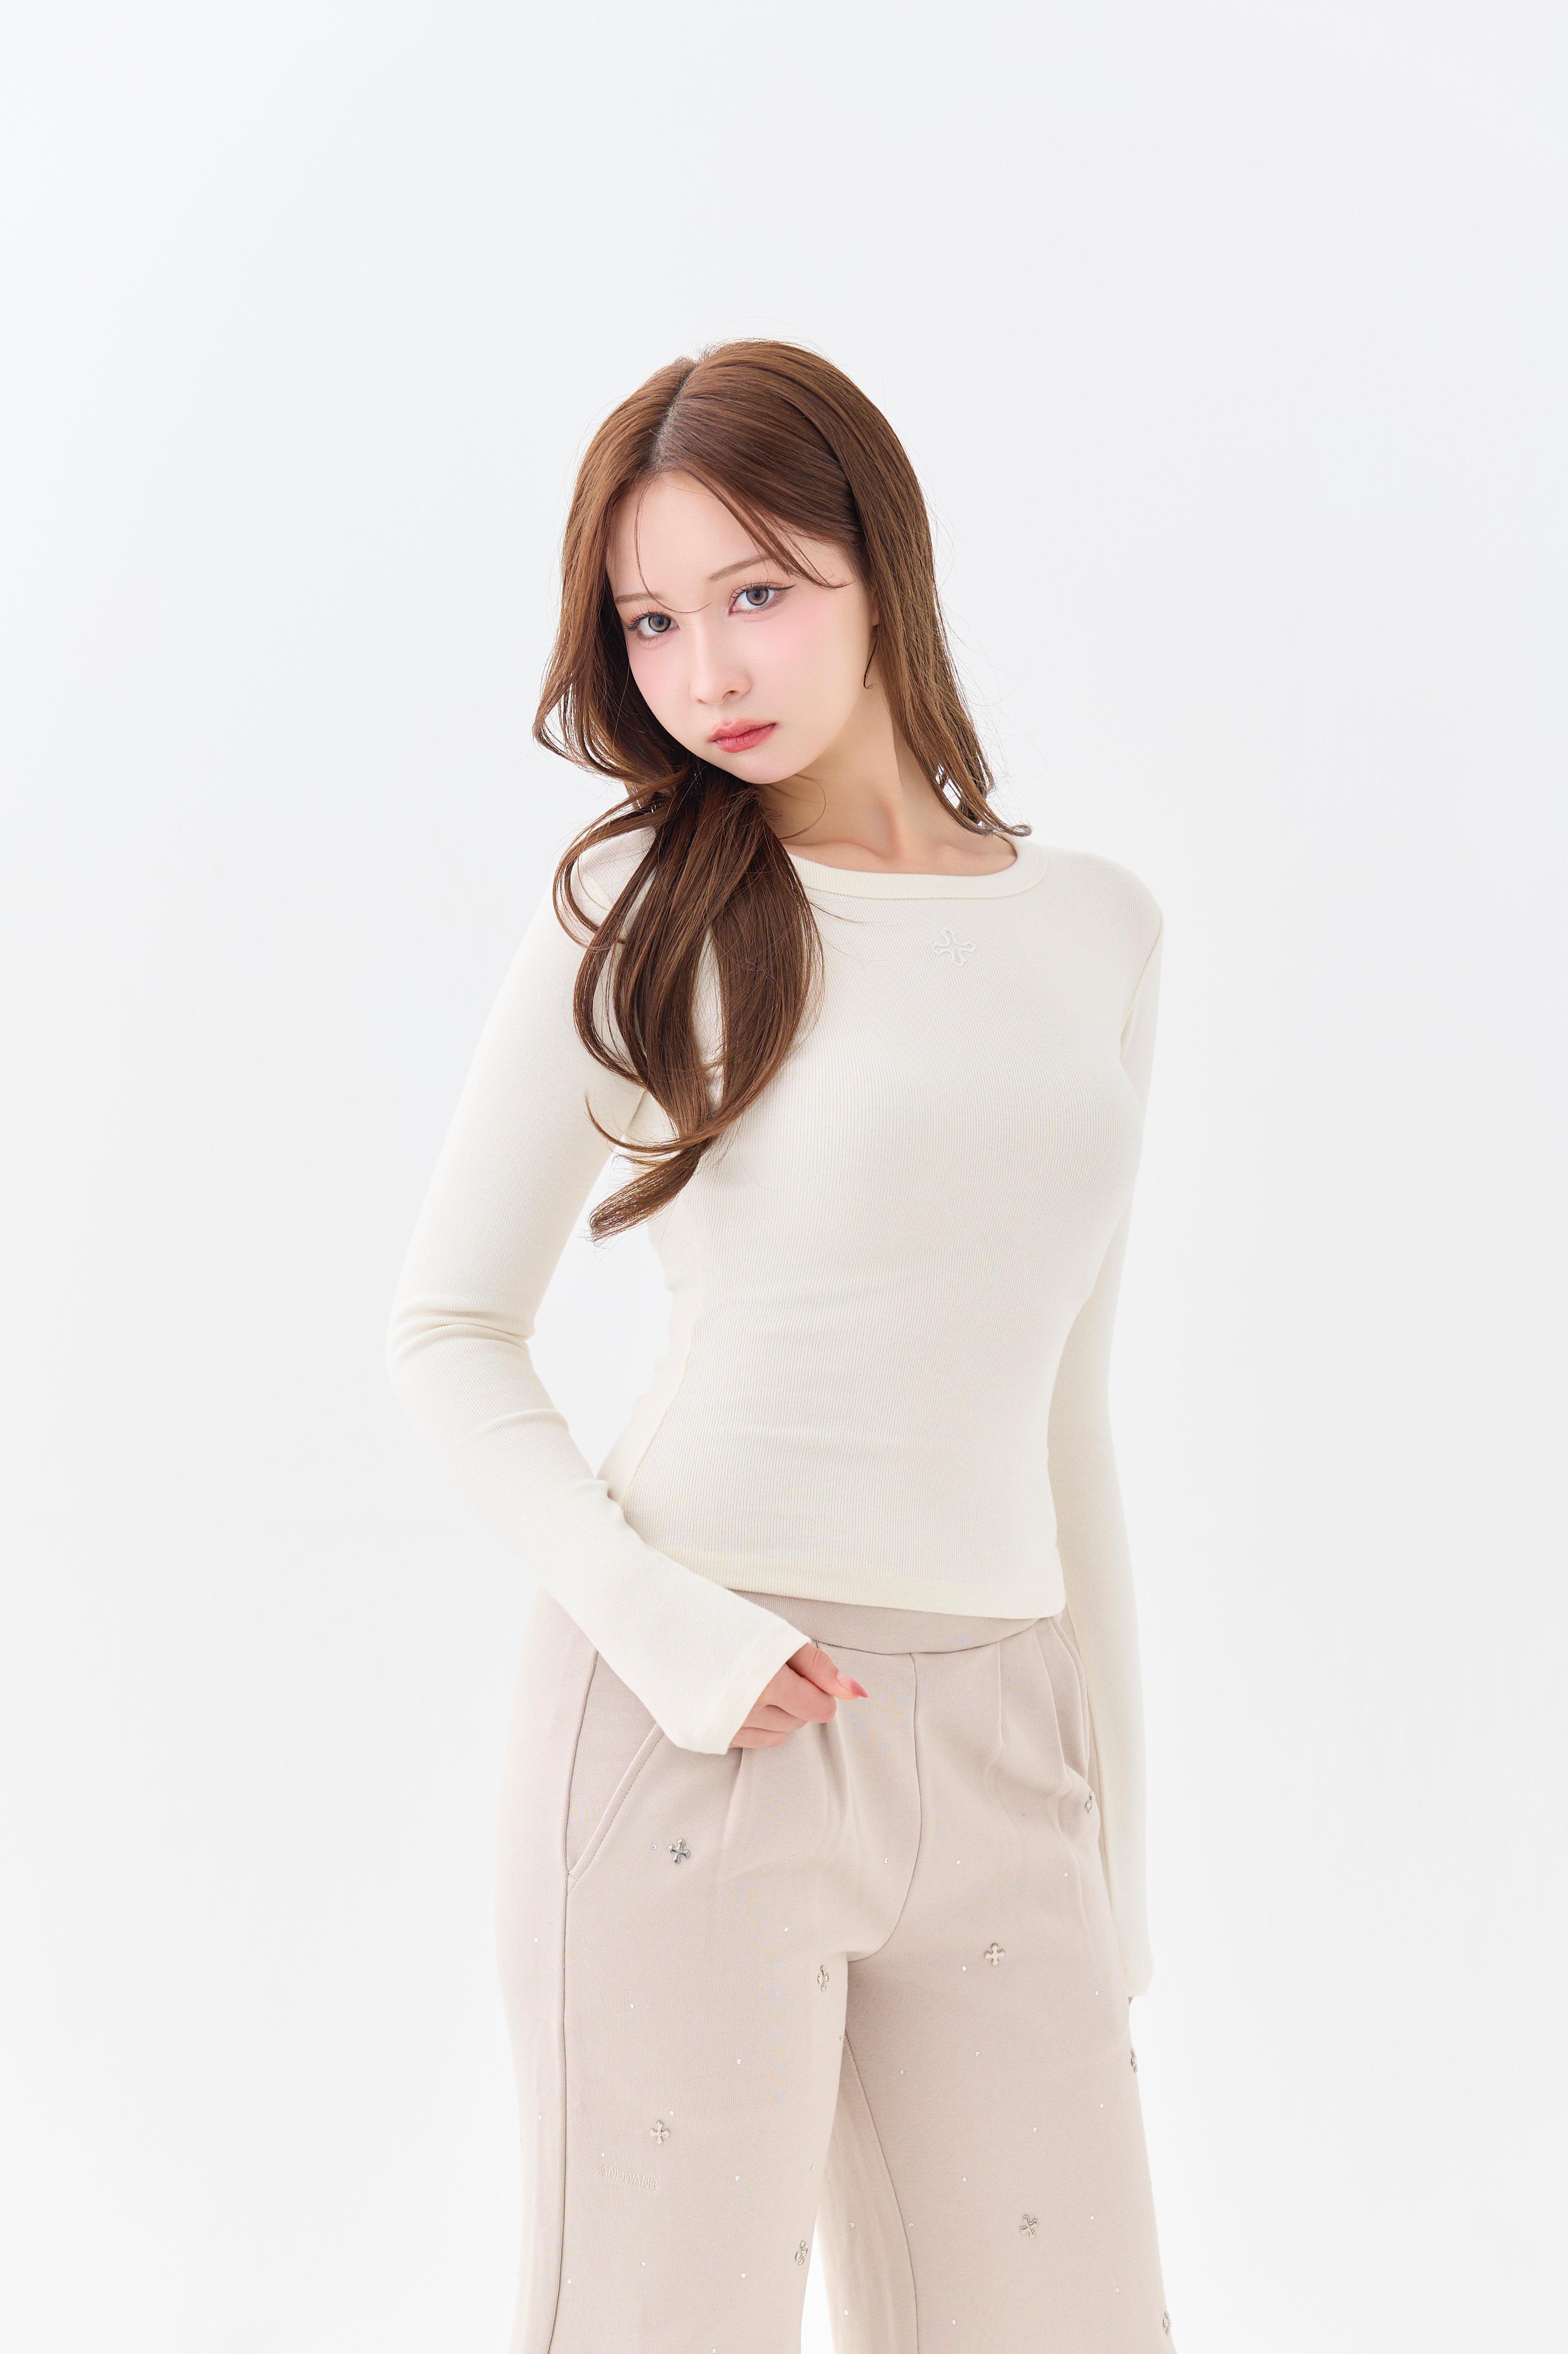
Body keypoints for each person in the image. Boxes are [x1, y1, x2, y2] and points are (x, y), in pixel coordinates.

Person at [386, 339, 1176, 2352]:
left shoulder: (1095, 927)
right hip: (699, 1718)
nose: (706, 670)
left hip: (1005, 1739)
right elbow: (450, 1331)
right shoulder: (643, 905)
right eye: (651, 620)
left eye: (755, 591)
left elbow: (1064, 1403)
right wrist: (670, 1633)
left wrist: (1117, 1822)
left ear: (877, 564)